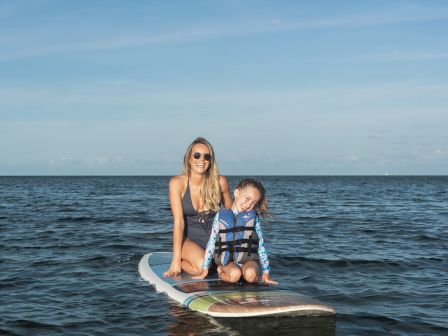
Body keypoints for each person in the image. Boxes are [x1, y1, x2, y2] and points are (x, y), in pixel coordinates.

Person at [163, 137, 232, 277]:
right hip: (190, 240)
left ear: (211, 161)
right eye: (197, 155)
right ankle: (183, 260)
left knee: (230, 272)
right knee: (202, 267)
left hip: (214, 239)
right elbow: (178, 222)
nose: (202, 160)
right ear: (188, 158)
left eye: (207, 156)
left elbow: (231, 215)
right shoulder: (177, 183)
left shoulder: (220, 182)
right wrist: (175, 260)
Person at [193, 178, 278, 285]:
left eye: (253, 203)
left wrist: (266, 272)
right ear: (237, 193)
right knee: (234, 275)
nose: (248, 205)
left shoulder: (253, 218)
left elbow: (260, 244)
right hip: (229, 262)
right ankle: (221, 271)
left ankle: (254, 276)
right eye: (247, 199)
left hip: (248, 260)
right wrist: (205, 269)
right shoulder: (221, 216)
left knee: (250, 275)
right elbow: (212, 241)